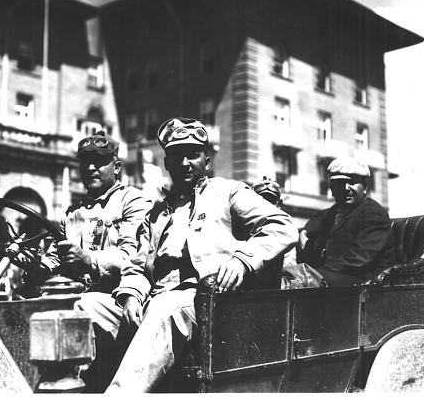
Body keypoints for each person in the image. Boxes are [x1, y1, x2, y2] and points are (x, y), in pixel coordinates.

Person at [80, 117, 298, 392]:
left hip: (209, 303)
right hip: (156, 300)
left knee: (164, 307)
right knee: (85, 306)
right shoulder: (157, 213)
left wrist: (242, 260)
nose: (184, 163)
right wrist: (131, 295)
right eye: (176, 156)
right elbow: (137, 266)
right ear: (167, 164)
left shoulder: (227, 192)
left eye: (192, 155)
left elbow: (282, 225)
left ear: (206, 160)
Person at [22, 130, 152, 390]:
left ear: (116, 167)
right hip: (85, 302)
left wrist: (89, 259)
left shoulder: (132, 201)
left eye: (99, 160)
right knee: (26, 308)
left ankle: (74, 387)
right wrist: (31, 264)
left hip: (124, 300)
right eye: (84, 161)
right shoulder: (72, 213)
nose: (91, 167)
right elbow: (53, 264)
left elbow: (132, 256)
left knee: (79, 307)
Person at [294, 157, 395, 286]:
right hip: (336, 277)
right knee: (284, 278)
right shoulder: (334, 212)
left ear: (365, 185)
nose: (346, 188)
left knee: (295, 282)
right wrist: (305, 232)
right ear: (331, 187)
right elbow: (319, 218)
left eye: (352, 182)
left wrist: (313, 273)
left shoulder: (373, 213)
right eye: (340, 183)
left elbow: (359, 259)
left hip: (365, 282)